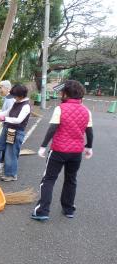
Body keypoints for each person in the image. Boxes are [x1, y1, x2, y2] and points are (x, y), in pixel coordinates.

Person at [31, 80, 93, 221]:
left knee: (48, 180)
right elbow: (89, 132)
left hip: (58, 151)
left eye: (61, 91)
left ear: (66, 94)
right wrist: (89, 147)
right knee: (71, 180)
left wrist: (43, 146)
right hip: (76, 152)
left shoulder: (61, 108)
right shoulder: (86, 110)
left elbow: (52, 128)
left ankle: (42, 211)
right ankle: (68, 209)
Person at [0, 84, 31, 181]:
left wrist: (4, 118)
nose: (13, 98)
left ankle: (11, 174)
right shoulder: (16, 102)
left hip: (16, 132)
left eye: (15, 96)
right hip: (9, 129)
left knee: (11, 153)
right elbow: (7, 112)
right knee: (0, 147)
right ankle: (5, 170)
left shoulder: (26, 106)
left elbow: (18, 120)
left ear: (21, 95)